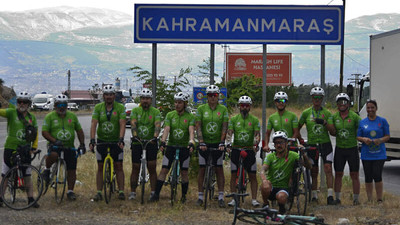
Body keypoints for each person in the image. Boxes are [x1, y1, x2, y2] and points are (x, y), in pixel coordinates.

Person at [151, 92, 195, 203]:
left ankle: (183, 196)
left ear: (185, 104)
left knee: (184, 172)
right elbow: (166, 129)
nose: (177, 105)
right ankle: (156, 195)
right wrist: (163, 141)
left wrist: (191, 141)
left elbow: (191, 131)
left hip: (184, 147)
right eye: (175, 102)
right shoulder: (170, 115)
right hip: (171, 146)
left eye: (179, 102)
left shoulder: (190, 117)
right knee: (164, 170)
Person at [41, 94, 86, 201]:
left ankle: (70, 191)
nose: (62, 107)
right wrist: (54, 140)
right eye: (59, 105)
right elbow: (44, 132)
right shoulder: (50, 116)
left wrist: (82, 144)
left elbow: (79, 131)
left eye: (64, 105)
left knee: (72, 169)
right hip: (55, 145)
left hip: (69, 147)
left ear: (67, 105)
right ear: (55, 105)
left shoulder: (72, 116)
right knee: (53, 155)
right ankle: (47, 170)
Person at [0, 91, 40, 207]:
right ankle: (1, 198)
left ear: (28, 104)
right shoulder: (12, 113)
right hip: (10, 147)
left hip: (25, 149)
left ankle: (31, 199)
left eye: (24, 102)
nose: (21, 104)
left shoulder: (32, 117)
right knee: (6, 173)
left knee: (27, 173)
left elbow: (36, 133)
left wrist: (34, 147)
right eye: (19, 102)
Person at [298, 87, 335, 205]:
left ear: (322, 99)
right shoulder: (306, 113)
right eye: (315, 97)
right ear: (312, 98)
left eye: (319, 97)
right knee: (314, 171)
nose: (317, 100)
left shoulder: (327, 113)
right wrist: (301, 141)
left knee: (328, 169)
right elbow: (296, 128)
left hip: (325, 144)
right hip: (312, 145)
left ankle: (330, 196)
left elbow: (333, 132)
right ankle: (314, 196)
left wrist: (324, 123)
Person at [89, 84, 126, 201]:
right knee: (100, 167)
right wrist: (92, 140)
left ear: (114, 96)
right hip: (102, 141)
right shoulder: (98, 108)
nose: (109, 97)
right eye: (106, 95)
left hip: (116, 141)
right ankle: (99, 192)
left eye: (111, 95)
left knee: (119, 166)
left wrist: (121, 138)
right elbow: (94, 124)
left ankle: (121, 191)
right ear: (103, 96)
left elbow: (122, 124)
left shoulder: (120, 107)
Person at [260, 131, 311, 214]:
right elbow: (263, 169)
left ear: (286, 143)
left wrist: (303, 154)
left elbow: (308, 166)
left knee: (281, 197)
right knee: (265, 185)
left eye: (281, 142)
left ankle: (282, 208)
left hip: (283, 188)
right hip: (271, 187)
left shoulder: (293, 155)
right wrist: (264, 180)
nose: (279, 145)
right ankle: (265, 204)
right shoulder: (270, 157)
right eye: (276, 143)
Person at [195, 85, 229, 208]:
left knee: (219, 168)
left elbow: (225, 126)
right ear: (207, 97)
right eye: (210, 95)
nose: (212, 98)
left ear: (218, 96)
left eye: (215, 95)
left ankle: (220, 196)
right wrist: (201, 141)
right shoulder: (201, 109)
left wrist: (222, 142)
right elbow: (198, 126)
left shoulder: (223, 109)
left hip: (217, 143)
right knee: (202, 168)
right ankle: (200, 196)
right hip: (204, 142)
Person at [226, 96, 261, 207]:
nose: (244, 108)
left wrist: (256, 143)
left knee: (252, 175)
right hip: (236, 148)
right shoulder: (234, 119)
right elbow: (229, 133)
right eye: (242, 105)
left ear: (250, 107)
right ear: (239, 107)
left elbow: (257, 134)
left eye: (247, 106)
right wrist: (228, 143)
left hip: (249, 149)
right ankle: (233, 197)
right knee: (233, 174)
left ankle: (254, 199)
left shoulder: (255, 120)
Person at [328, 93, 361, 205]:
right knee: (338, 174)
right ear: (337, 104)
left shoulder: (354, 116)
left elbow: (361, 129)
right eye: (339, 102)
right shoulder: (334, 117)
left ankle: (356, 199)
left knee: (354, 175)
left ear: (348, 104)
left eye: (344, 102)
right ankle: (338, 198)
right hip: (340, 149)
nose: (342, 104)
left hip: (352, 149)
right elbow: (332, 132)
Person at [129, 88, 161, 201]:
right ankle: (132, 192)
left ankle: (153, 192)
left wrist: (155, 136)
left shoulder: (155, 112)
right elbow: (133, 124)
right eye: (143, 98)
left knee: (152, 167)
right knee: (135, 167)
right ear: (140, 99)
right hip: (137, 141)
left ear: (151, 100)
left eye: (147, 98)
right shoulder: (135, 111)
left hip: (150, 141)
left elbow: (157, 125)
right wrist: (135, 135)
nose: (145, 101)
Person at [357, 99, 390, 203]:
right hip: (366, 154)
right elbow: (358, 136)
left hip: (379, 154)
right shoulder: (362, 122)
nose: (370, 110)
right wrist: (364, 139)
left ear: (376, 108)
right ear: (366, 109)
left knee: (377, 174)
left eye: (372, 107)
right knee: (368, 176)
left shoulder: (382, 121)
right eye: (368, 108)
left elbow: (387, 136)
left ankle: (379, 199)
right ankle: (370, 199)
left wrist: (380, 140)